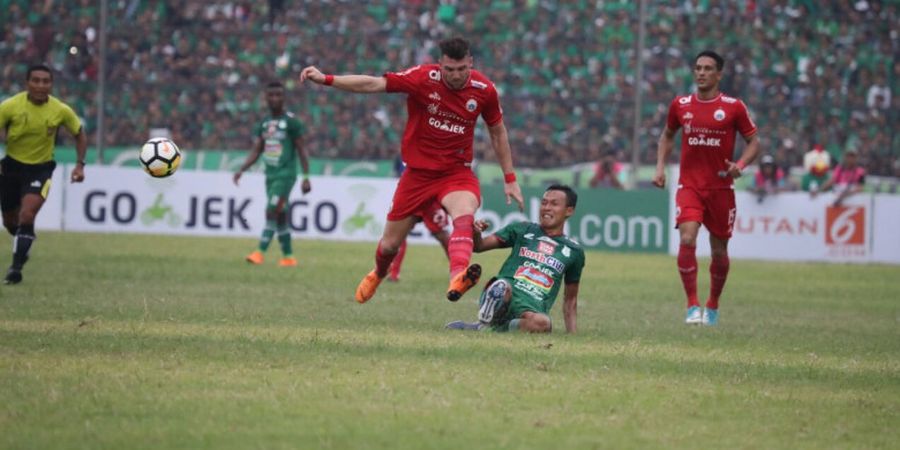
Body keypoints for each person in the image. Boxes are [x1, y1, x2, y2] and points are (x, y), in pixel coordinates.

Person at [299, 37, 524, 303]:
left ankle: (458, 275)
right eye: (449, 70)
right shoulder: (422, 78)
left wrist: (510, 178)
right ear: (440, 64)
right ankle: (379, 273)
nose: (455, 75)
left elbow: (497, 132)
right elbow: (373, 83)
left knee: (464, 215)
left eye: (462, 69)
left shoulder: (484, 89)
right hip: (417, 175)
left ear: (470, 63)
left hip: (456, 173)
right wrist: (326, 79)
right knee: (390, 245)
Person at [652, 50, 760, 326]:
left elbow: (754, 143)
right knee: (687, 238)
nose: (701, 73)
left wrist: (741, 165)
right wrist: (660, 168)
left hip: (721, 189)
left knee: (719, 251)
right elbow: (667, 135)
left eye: (708, 68)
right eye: (698, 68)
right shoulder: (680, 104)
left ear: (719, 74)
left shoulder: (734, 107)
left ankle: (712, 305)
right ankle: (692, 306)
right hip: (689, 185)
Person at [446, 185, 584, 333]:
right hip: (506, 294)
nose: (546, 208)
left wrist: (572, 334)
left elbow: (570, 299)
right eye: (544, 203)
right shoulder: (522, 229)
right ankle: (490, 312)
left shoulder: (574, 251)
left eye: (554, 204)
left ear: (569, 211)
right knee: (501, 287)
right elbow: (479, 246)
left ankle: (485, 329)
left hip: (533, 307)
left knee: (544, 324)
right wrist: (477, 233)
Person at [0, 64, 87, 285]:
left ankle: (16, 268)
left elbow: (79, 133)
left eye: (45, 81)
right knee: (11, 222)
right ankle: (24, 240)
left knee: (27, 215)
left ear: (51, 84)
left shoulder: (60, 110)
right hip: (11, 168)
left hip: (40, 168)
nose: (41, 85)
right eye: (36, 80)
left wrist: (80, 165)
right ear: (27, 83)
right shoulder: (10, 107)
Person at [233, 81, 311, 267]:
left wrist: (306, 177)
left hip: (286, 175)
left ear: (284, 98)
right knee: (281, 216)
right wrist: (242, 169)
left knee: (271, 211)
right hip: (270, 175)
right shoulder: (265, 123)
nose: (275, 98)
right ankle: (289, 257)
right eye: (271, 95)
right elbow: (257, 149)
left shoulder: (292, 122)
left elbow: (302, 150)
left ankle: (259, 252)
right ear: (266, 98)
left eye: (278, 95)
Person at [387, 156, 451, 282]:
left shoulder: (432, 151)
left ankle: (459, 270)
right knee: (398, 236)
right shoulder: (404, 154)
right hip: (409, 197)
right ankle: (393, 273)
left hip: (429, 198)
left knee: (442, 235)